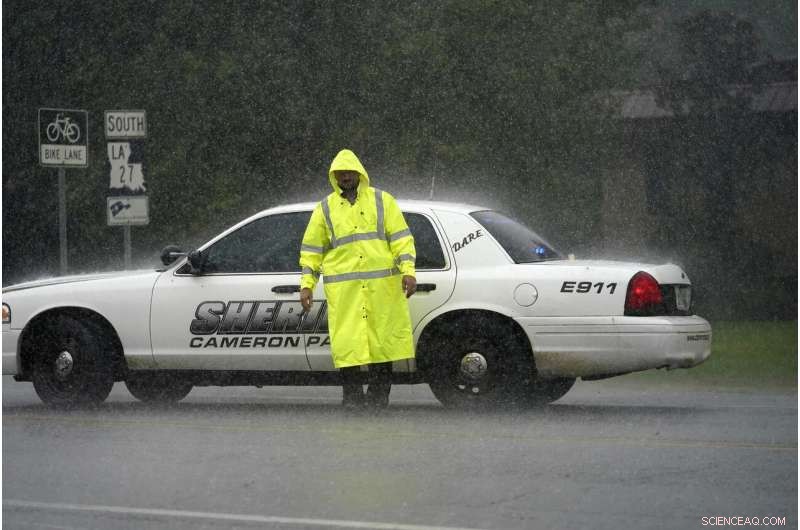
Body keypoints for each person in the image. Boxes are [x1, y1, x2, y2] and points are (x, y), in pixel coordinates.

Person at [299, 149, 416, 409]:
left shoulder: (382, 201)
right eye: (340, 173)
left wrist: (408, 270)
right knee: (349, 345)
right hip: (346, 291)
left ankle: (378, 398)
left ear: (360, 173)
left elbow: (401, 240)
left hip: (381, 289)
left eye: (350, 171)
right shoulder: (325, 208)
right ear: (334, 176)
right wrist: (307, 285)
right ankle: (352, 397)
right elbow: (311, 251)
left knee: (381, 345)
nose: (345, 176)